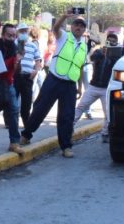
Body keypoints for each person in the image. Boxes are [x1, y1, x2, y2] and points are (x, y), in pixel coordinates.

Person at [21, 13, 88, 158]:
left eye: (82, 26)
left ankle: (66, 146)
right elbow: (55, 28)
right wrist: (64, 16)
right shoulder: (64, 36)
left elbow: (81, 67)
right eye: (76, 24)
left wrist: (79, 86)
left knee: (67, 116)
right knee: (40, 108)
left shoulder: (84, 46)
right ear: (72, 26)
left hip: (70, 84)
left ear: (84, 30)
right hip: (54, 79)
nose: (78, 27)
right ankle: (26, 135)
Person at [74, 32, 124, 142]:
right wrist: (102, 52)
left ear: (116, 42)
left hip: (106, 89)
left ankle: (105, 134)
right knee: (81, 107)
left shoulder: (118, 54)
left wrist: (113, 55)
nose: (111, 42)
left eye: (113, 41)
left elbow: (121, 66)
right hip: (93, 86)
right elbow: (92, 58)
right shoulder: (99, 51)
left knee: (107, 113)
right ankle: (68, 129)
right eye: (109, 40)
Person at [0, 23, 24, 154]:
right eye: (9, 35)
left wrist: (17, 62)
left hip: (7, 82)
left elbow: (17, 70)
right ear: (3, 35)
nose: (12, 38)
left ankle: (14, 142)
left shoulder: (15, 47)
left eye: (14, 35)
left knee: (13, 111)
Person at [14, 23, 42, 128]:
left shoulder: (32, 45)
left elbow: (38, 60)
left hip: (27, 77)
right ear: (17, 32)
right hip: (15, 77)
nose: (24, 33)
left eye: (25, 31)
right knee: (13, 103)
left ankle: (27, 127)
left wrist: (35, 71)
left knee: (26, 104)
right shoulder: (14, 44)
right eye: (21, 31)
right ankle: (12, 124)